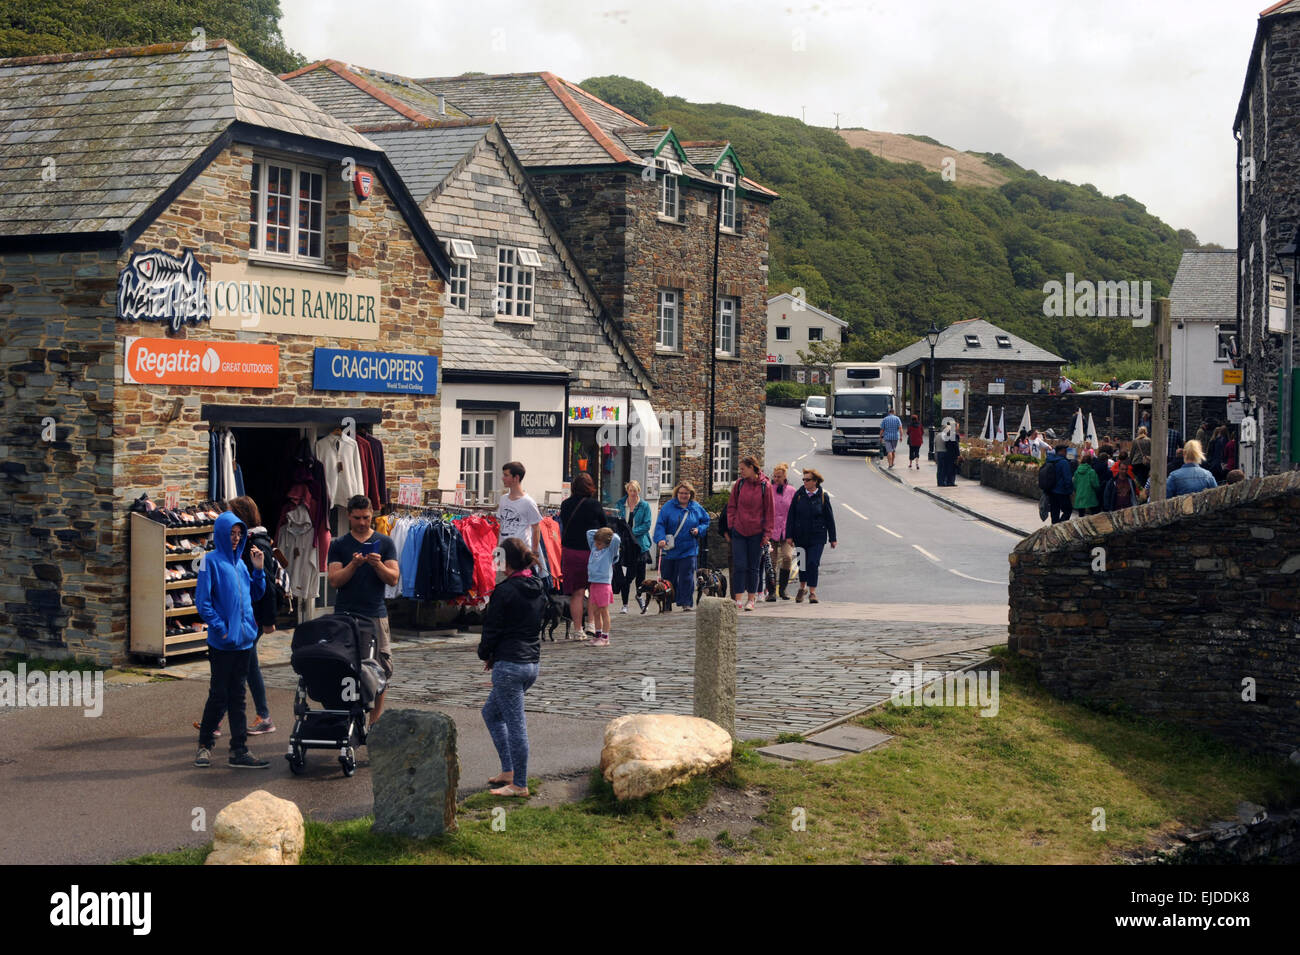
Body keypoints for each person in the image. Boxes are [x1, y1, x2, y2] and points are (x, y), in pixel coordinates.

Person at [194, 510, 269, 769]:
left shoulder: (241, 563)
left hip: (244, 641)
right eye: (231, 534)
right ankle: (205, 745)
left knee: (238, 696)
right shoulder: (209, 561)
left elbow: (255, 594)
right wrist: (221, 628)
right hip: (223, 642)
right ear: (221, 534)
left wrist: (259, 570)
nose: (236, 538)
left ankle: (239, 750)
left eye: (239, 534)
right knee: (219, 695)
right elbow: (202, 603)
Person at [477, 537, 545, 797]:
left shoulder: (504, 591)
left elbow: (492, 629)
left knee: (516, 725)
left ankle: (520, 784)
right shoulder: (538, 586)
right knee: (491, 713)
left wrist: (486, 654)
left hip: (509, 666)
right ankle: (509, 770)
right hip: (530, 664)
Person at [326, 495, 400, 723]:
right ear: (349, 516)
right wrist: (354, 564)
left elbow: (394, 579)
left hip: (375, 613)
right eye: (357, 518)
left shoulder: (385, 542)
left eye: (366, 518)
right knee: (344, 666)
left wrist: (377, 564)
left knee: (382, 667)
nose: (362, 523)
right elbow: (335, 580)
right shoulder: (339, 545)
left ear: (372, 515)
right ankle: (347, 715)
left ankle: (375, 721)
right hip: (345, 614)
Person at [221, 496, 278, 735]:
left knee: (237, 667)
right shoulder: (251, 541)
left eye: (231, 512)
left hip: (251, 617)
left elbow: (266, 586)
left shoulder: (256, 544)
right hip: (247, 616)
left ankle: (216, 719)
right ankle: (263, 716)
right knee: (247, 666)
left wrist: (268, 621)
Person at [558, 472, 606, 637]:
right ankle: (591, 624)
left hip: (570, 552)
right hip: (591, 552)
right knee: (593, 589)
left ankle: (578, 630)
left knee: (577, 593)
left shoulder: (565, 505)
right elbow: (604, 529)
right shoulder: (595, 505)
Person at [725, 455, 774, 612]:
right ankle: (738, 599)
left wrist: (767, 534)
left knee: (753, 567)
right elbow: (731, 506)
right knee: (739, 565)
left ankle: (751, 599)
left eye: (743, 469)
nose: (741, 472)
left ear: (753, 468)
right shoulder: (739, 485)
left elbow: (770, 511)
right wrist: (732, 524)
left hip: (757, 533)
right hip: (739, 531)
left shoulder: (765, 486)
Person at [652, 481, 710, 610]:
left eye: (686, 493)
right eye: (681, 493)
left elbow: (706, 521)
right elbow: (660, 524)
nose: (683, 495)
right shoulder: (668, 507)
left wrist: (698, 530)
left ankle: (686, 603)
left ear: (691, 494)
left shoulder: (696, 507)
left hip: (689, 549)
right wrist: (660, 539)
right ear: (677, 493)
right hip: (670, 549)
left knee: (687, 577)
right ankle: (667, 602)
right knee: (668, 578)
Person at [786, 468, 837, 604]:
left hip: (817, 537)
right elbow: (791, 516)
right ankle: (802, 589)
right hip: (800, 536)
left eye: (807, 480)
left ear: (815, 481)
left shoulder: (822, 496)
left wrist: (833, 538)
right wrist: (789, 535)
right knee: (802, 563)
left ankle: (812, 592)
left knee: (813, 563)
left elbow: (829, 518)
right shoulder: (799, 495)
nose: (804, 482)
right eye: (803, 479)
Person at [615, 481, 652, 614]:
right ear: (627, 491)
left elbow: (647, 525)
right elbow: (617, 521)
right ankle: (624, 604)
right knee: (627, 576)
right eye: (630, 490)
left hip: (640, 545)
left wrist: (631, 533)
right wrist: (623, 535)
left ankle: (640, 597)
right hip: (625, 546)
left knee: (641, 575)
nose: (632, 493)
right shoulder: (620, 504)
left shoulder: (644, 506)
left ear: (638, 491)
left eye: (635, 491)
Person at [497, 460, 542, 555]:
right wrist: (498, 550)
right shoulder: (503, 499)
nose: (502, 478)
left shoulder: (528, 502)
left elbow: (536, 528)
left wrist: (534, 552)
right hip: (502, 551)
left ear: (516, 478)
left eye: (506, 475)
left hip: (521, 553)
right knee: (499, 570)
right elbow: (501, 526)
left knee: (520, 571)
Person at [585, 526, 620, 646]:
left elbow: (616, 539)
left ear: (606, 543)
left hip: (604, 584)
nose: (596, 545)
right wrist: (599, 534)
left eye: (599, 543)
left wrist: (608, 534)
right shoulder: (594, 548)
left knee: (603, 611)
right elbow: (589, 532)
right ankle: (598, 634)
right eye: (596, 542)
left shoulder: (609, 552)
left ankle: (605, 637)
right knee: (595, 612)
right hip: (593, 583)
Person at [768, 463, 796, 600]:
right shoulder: (768, 490)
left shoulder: (791, 491)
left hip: (787, 531)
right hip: (771, 531)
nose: (776, 479)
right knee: (771, 562)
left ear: (785, 476)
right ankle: (771, 592)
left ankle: (783, 590)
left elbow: (796, 512)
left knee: (787, 557)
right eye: (775, 476)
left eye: (779, 476)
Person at [1044, 444, 1074, 524]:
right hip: (1062, 491)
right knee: (1068, 510)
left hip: (1051, 490)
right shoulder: (1063, 462)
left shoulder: (1049, 460)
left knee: (1054, 511)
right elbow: (1067, 478)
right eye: (1066, 451)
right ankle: (1060, 526)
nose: (1066, 452)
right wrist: (1070, 490)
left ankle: (1054, 527)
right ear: (1062, 451)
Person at [1072, 452, 1100, 516]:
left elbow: (1075, 485)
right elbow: (1096, 485)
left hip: (1079, 495)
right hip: (1090, 495)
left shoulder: (1076, 472)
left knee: (1081, 515)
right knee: (1093, 515)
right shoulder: (1091, 472)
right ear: (1090, 462)